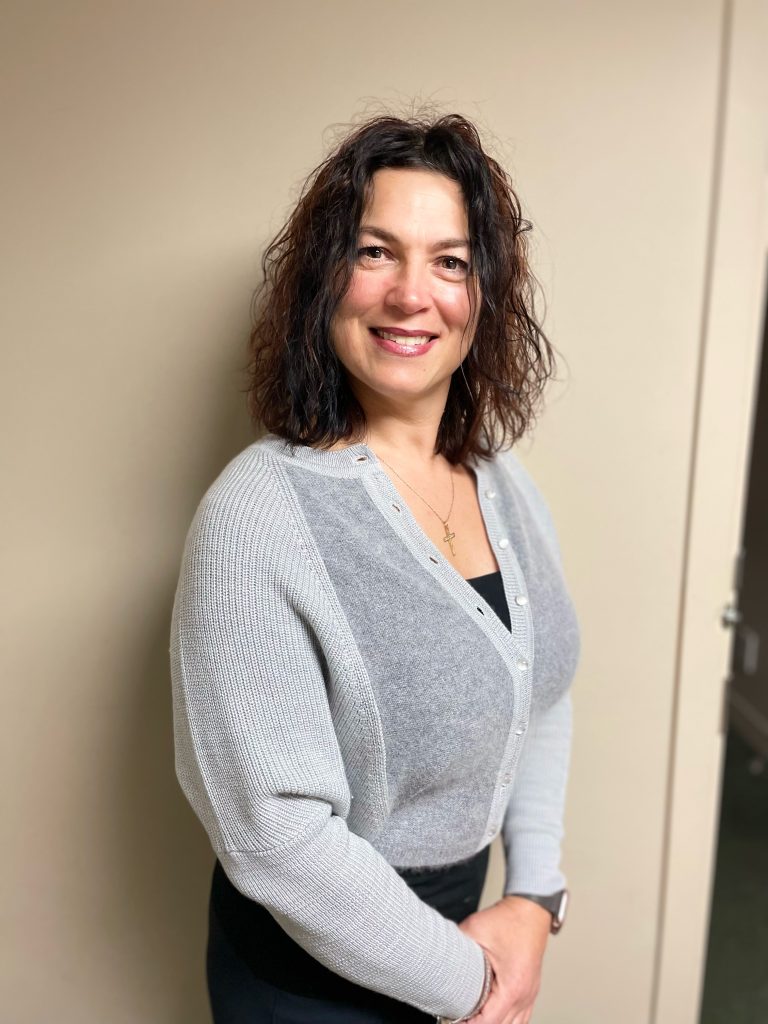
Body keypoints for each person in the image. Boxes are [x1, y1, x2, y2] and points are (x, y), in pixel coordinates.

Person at [170, 112, 581, 1024]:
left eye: (450, 261)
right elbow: (279, 843)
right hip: (309, 980)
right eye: (374, 252)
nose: (410, 294)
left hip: (468, 941)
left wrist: (533, 898)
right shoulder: (255, 518)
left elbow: (542, 690)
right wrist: (474, 984)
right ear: (326, 278)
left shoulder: (503, 483)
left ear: (484, 293)